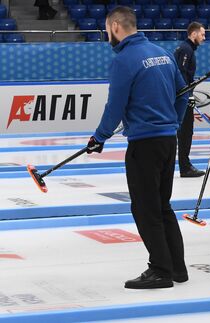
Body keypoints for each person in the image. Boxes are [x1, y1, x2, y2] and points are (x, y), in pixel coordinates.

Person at [86, 6, 189, 289]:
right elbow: (184, 94)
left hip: (144, 144)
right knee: (162, 205)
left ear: (116, 26)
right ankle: (177, 268)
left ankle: (160, 269)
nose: (107, 35)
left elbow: (115, 106)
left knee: (145, 209)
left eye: (107, 29)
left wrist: (99, 137)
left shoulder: (124, 59)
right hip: (169, 140)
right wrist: (174, 123)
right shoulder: (163, 53)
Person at [174, 22, 206, 177]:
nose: (204, 38)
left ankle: (184, 165)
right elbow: (180, 73)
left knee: (184, 132)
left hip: (183, 96)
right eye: (202, 34)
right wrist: (188, 95)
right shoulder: (186, 49)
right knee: (185, 132)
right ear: (193, 34)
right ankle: (185, 167)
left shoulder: (186, 49)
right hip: (182, 98)